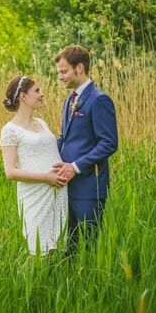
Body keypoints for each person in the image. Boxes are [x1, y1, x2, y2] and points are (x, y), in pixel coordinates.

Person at [53, 45, 118, 255]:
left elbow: (109, 143)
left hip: (90, 187)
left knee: (89, 246)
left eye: (64, 71)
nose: (60, 77)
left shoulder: (99, 99)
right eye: (59, 73)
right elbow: (66, 138)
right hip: (66, 186)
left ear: (79, 67)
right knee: (69, 246)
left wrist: (76, 167)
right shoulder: (69, 100)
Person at [0, 75, 71, 256]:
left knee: (59, 248)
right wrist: (46, 177)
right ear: (23, 96)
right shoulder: (10, 130)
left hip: (58, 191)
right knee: (39, 250)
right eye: (37, 91)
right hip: (35, 194)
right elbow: (10, 172)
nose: (42, 94)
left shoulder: (41, 122)